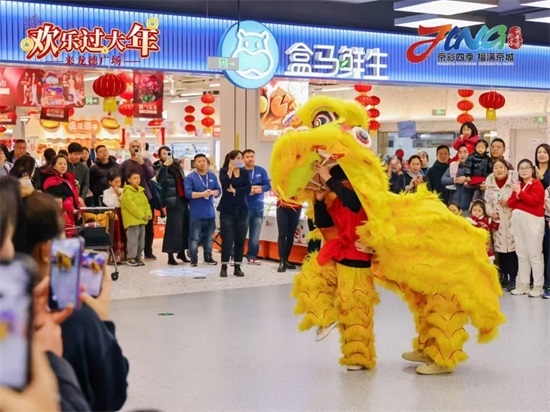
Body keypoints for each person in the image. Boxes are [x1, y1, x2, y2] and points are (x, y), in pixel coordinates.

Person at [13, 191, 129, 411]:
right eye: (62, 235)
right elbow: (113, 393)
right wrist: (103, 318)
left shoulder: (9, 310)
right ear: (48, 250)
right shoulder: (74, 316)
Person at [507, 159, 546, 298]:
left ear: (532, 170)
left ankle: (538, 285)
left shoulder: (536, 184)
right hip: (518, 222)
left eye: (527, 168)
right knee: (521, 254)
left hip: (533, 221)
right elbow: (510, 203)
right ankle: (523, 284)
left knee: (534, 254)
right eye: (521, 168)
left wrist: (519, 193)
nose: (524, 170)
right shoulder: (519, 185)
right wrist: (518, 193)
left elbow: (534, 201)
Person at [484, 160, 519, 291]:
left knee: (512, 251)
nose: (499, 170)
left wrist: (509, 202)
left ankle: (513, 278)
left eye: (501, 167)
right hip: (497, 222)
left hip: (511, 220)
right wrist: (491, 213)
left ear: (506, 168)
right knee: (500, 251)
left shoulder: (513, 183)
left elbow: (519, 198)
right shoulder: (490, 185)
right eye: (496, 167)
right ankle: (503, 276)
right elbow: (487, 202)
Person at [119, 140, 156, 260]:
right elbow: (119, 181)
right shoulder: (124, 164)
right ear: (129, 149)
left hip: (146, 197)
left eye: (137, 146)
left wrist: (142, 163)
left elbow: (151, 174)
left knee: (148, 228)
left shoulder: (146, 161)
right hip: (131, 199)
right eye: (133, 146)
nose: (135, 148)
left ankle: (148, 251)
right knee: (133, 230)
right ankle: (132, 254)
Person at [184, 153, 221, 267]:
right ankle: (194, 258)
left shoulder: (212, 176)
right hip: (196, 213)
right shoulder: (190, 177)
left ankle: (208, 257)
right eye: (199, 161)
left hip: (210, 213)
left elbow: (219, 190)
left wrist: (213, 192)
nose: (202, 163)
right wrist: (202, 194)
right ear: (195, 163)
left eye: (204, 161)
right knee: (194, 237)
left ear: (207, 162)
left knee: (208, 237)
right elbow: (188, 194)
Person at [218, 150, 251, 277]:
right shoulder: (223, 171)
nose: (240, 160)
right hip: (227, 210)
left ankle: (238, 266)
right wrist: (230, 171)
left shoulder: (244, 172)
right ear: (231, 159)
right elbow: (225, 185)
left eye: (241, 158)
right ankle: (224, 265)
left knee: (240, 239)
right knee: (227, 239)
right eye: (238, 158)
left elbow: (248, 189)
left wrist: (236, 190)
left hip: (242, 209)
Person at [157, 154, 190, 265]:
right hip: (172, 202)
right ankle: (170, 255)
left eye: (168, 153)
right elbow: (160, 180)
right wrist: (164, 167)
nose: (167, 156)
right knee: (173, 229)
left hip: (183, 200)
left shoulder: (177, 166)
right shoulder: (160, 167)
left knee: (184, 227)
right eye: (164, 154)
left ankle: (182, 252)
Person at [242, 149, 271, 265]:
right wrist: (249, 189)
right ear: (243, 159)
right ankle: (235, 255)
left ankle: (252, 256)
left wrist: (259, 189)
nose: (250, 158)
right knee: (241, 233)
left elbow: (267, 185)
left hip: (258, 206)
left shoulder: (261, 170)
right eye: (247, 157)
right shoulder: (240, 171)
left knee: (255, 234)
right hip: (244, 206)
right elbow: (237, 186)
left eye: (252, 156)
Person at [42, 155, 80, 234]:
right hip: (61, 216)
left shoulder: (67, 179)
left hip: (71, 216)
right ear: (53, 165)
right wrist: (73, 210)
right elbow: (59, 199)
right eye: (60, 164)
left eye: (65, 164)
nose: (63, 166)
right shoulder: (51, 181)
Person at [121, 171, 152, 267]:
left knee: (141, 240)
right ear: (129, 180)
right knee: (133, 240)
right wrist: (142, 215)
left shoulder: (141, 191)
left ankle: (138, 256)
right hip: (132, 221)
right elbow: (132, 207)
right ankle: (131, 258)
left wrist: (148, 214)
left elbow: (146, 204)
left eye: (138, 178)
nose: (137, 180)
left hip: (142, 220)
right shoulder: (127, 193)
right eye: (134, 178)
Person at [441, 144, 474, 214]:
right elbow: (443, 180)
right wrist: (453, 180)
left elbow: (477, 182)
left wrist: (466, 179)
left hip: (467, 205)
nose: (462, 155)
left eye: (465, 152)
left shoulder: (474, 168)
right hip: (453, 205)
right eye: (460, 152)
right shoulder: (453, 165)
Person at [102, 172, 127, 264]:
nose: (118, 184)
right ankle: (113, 256)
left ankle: (123, 256)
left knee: (123, 232)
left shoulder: (123, 190)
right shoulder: (106, 192)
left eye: (119, 182)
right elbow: (107, 203)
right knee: (114, 233)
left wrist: (120, 195)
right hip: (112, 213)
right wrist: (115, 194)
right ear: (110, 182)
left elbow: (124, 202)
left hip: (122, 213)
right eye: (115, 182)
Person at [276, 195, 302, 273]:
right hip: (282, 205)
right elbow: (275, 186)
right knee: (282, 234)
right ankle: (282, 260)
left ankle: (286, 259)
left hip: (296, 206)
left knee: (291, 235)